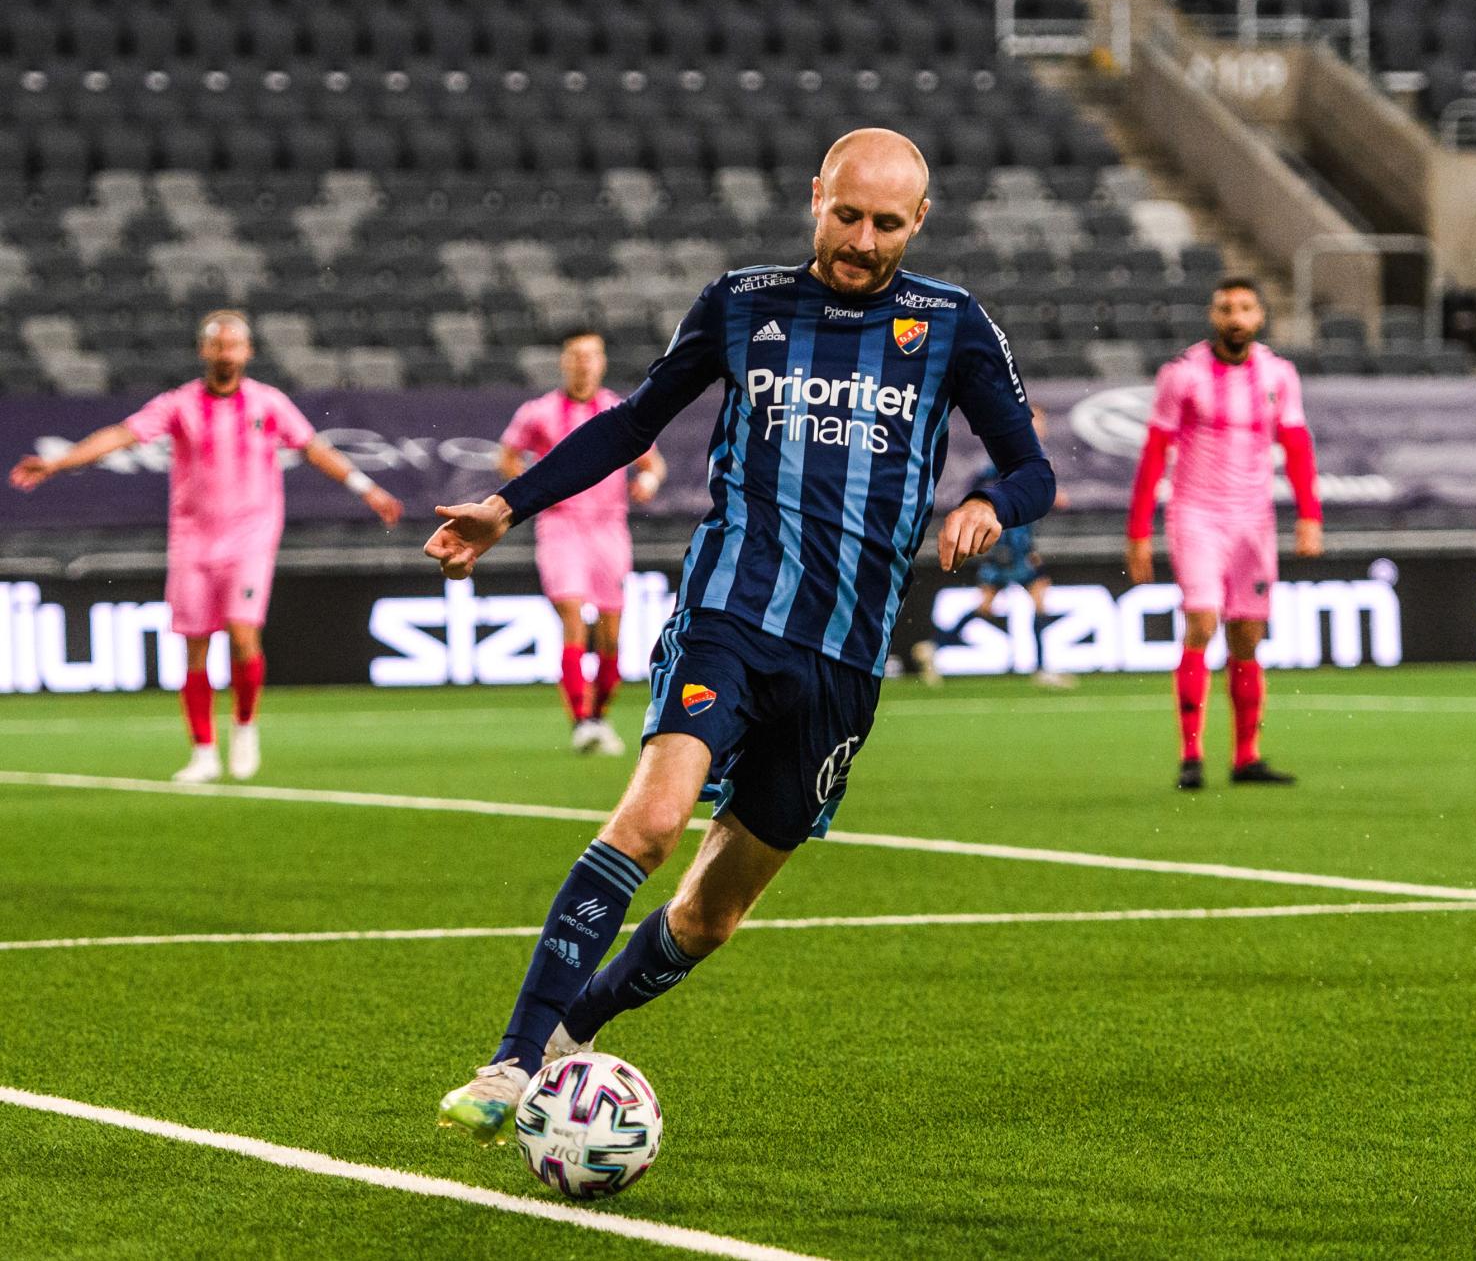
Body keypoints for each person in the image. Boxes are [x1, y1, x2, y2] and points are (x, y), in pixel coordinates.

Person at [424, 128, 1054, 1143]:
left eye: (885, 224)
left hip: (844, 658)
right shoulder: (742, 301)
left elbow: (1032, 466)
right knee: (652, 819)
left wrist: (987, 499)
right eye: (845, 215)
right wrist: (509, 503)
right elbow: (632, 421)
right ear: (816, 196)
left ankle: (574, 1029)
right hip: (730, 612)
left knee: (710, 917)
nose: (859, 240)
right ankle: (511, 1056)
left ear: (919, 221)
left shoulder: (952, 324)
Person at [8, 310, 402, 782]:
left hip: (251, 536)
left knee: (241, 633)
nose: (225, 353)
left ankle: (245, 725)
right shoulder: (179, 405)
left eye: (233, 345)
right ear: (204, 350)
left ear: (248, 351)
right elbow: (122, 434)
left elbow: (312, 448)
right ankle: (202, 751)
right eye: (217, 345)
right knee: (196, 646)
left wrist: (367, 487)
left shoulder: (268, 403)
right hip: (194, 540)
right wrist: (59, 462)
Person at [1125, 277, 1322, 790]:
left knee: (1247, 637)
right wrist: (1139, 530)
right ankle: (1191, 755)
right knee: (1203, 621)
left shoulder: (1279, 375)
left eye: (1245, 308)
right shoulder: (1182, 374)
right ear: (1213, 316)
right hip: (1196, 515)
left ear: (1259, 317)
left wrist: (1309, 515)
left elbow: (1297, 445)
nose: (1235, 316)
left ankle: (1245, 757)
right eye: (1225, 308)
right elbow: (1154, 452)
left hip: (1253, 522)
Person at [499, 328, 668, 755]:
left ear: (602, 361)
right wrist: (530, 488)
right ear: (563, 361)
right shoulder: (537, 413)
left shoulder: (617, 410)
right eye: (576, 355)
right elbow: (508, 454)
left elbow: (653, 463)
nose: (583, 363)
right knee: (573, 618)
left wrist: (647, 479)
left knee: (612, 634)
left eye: (591, 355)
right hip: (560, 526)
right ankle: (580, 721)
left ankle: (597, 718)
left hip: (609, 528)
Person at [910, 404, 1074, 689]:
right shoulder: (1011, 460)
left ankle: (935, 646)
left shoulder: (1027, 459)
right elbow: (990, 489)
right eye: (1037, 422)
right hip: (1007, 545)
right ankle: (1042, 668)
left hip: (1014, 544)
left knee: (986, 606)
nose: (1041, 427)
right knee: (1037, 594)